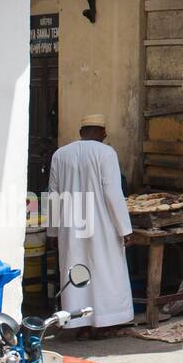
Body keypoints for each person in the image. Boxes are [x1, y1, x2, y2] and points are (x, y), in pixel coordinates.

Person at [46, 115, 133, 337]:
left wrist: (53, 232)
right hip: (102, 224)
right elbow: (113, 193)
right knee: (105, 271)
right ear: (102, 132)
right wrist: (125, 229)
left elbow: (53, 195)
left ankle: (79, 324)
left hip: (71, 227)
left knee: (76, 273)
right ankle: (105, 323)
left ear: (81, 130)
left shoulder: (60, 154)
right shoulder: (106, 153)